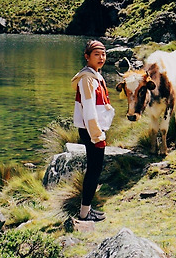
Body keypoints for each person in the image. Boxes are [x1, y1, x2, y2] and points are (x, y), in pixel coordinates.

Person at [71, 39, 114, 221]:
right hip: (92, 131)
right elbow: (89, 109)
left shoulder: (95, 75)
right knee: (93, 170)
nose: (101, 58)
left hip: (94, 130)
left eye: (103, 54)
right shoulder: (87, 79)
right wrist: (97, 136)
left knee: (94, 169)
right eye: (97, 54)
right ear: (87, 57)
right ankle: (84, 213)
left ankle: (87, 209)